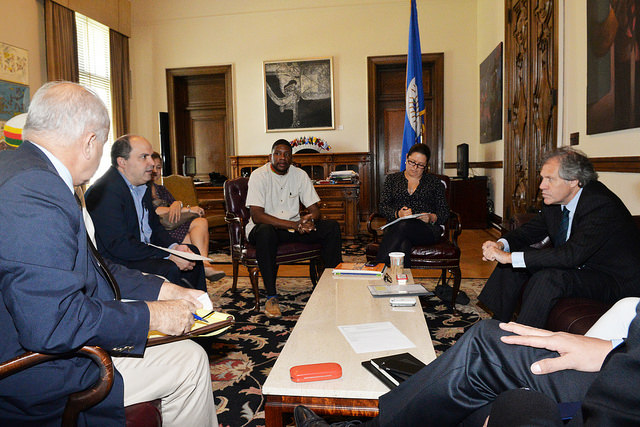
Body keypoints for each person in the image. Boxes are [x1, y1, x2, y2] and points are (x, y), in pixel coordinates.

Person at [0, 81, 217, 426]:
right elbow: (52, 323)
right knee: (189, 361)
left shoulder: (20, 169)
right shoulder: (35, 191)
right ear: (90, 141)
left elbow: (90, 268)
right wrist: (153, 316)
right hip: (34, 376)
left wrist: (163, 289)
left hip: (36, 348)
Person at [294, 298, 640, 426]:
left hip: (620, 397)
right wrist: (611, 349)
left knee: (485, 348)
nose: (542, 184)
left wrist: (516, 411)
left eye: (549, 178)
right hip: (627, 370)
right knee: (468, 386)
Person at [478, 147, 640, 327]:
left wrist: (508, 257)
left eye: (550, 179)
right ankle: (496, 324)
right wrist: (501, 245)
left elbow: (571, 255)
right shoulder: (556, 201)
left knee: (549, 278)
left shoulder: (600, 204)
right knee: (516, 260)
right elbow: (530, 231)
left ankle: (521, 338)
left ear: (574, 181)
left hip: (614, 280)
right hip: (583, 268)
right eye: (542, 178)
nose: (541, 186)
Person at [85, 135, 207, 292]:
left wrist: (175, 247)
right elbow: (120, 245)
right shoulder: (104, 192)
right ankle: (179, 304)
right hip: (117, 260)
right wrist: (168, 255)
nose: (152, 163)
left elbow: (156, 228)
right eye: (144, 157)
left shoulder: (142, 186)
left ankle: (198, 302)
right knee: (169, 266)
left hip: (140, 251)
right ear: (122, 162)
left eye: (150, 156)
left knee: (192, 253)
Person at [246, 139, 342, 318]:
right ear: (270, 156)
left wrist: (309, 220)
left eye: (286, 154)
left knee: (331, 227)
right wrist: (295, 225)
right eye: (278, 154)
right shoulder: (259, 176)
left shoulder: (299, 175)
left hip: (292, 229)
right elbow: (257, 216)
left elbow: (315, 210)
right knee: (266, 232)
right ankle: (271, 297)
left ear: (291, 158)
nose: (282, 158)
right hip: (264, 229)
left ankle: (332, 285)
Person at [150, 152, 225, 281]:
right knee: (192, 240)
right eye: (153, 167)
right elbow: (154, 211)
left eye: (158, 167)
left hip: (171, 225)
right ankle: (204, 266)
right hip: (158, 230)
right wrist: (187, 208)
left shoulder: (161, 189)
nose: (156, 171)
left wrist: (177, 204)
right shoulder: (141, 188)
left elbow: (175, 208)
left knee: (200, 223)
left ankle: (205, 264)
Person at [374, 143, 449, 267]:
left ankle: (378, 266)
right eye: (412, 162)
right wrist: (398, 214)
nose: (415, 168)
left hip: (426, 230)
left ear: (426, 165)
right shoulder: (392, 180)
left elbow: (444, 212)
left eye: (420, 165)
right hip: (396, 228)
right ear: (406, 157)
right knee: (403, 243)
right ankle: (402, 278)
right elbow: (382, 207)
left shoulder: (434, 183)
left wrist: (431, 217)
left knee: (404, 226)